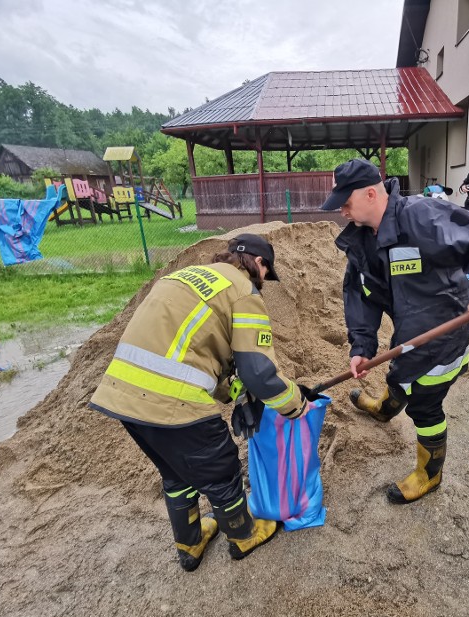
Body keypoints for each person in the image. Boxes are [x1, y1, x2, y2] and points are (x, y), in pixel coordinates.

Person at [89, 234, 310, 571]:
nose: (264, 282)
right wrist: (295, 404)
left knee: (176, 471)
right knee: (221, 468)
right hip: (172, 400)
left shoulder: (185, 277)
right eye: (267, 274)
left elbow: (197, 356)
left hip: (122, 394)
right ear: (259, 264)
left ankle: (190, 544)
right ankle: (243, 536)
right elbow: (260, 372)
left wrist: (237, 395)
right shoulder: (243, 293)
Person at [322, 158, 469, 504]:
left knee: (425, 405)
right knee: (400, 372)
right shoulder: (362, 241)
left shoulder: (422, 217)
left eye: (345, 202)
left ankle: (429, 473)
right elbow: (360, 295)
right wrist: (362, 345)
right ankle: (385, 408)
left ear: (371, 193)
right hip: (410, 330)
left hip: (443, 333)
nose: (341, 211)